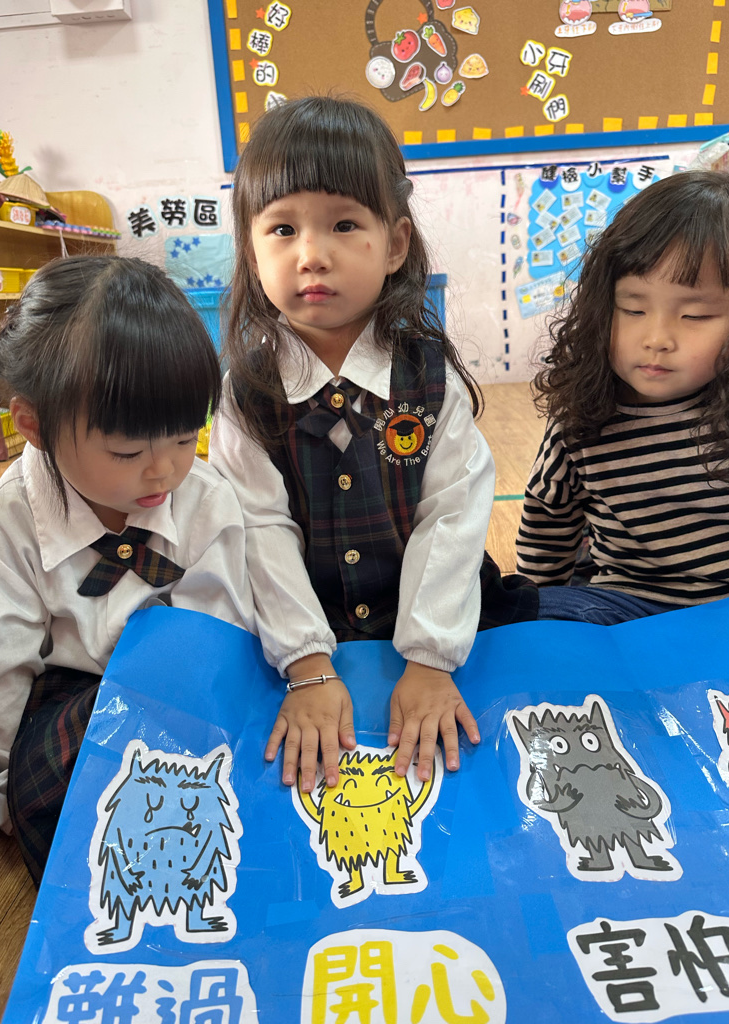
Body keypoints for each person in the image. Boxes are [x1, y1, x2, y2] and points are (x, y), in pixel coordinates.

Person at [210, 95, 537, 797]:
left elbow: (451, 514)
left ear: (394, 245)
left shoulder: (428, 377)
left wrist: (430, 659)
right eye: (282, 229)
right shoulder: (247, 392)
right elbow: (256, 529)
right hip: (305, 626)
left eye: (344, 224)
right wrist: (307, 665)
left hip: (438, 614)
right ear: (251, 249)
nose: (311, 255)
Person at [0, 255, 256, 881]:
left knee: (240, 789)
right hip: (73, 699)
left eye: (184, 437)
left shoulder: (205, 499)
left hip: (185, 686)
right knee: (59, 801)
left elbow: (217, 638)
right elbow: (1, 657)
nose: (165, 470)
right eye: (128, 451)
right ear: (34, 425)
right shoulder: (8, 521)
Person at [517, 170, 729, 624]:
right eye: (633, 308)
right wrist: (532, 618)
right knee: (524, 609)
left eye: (695, 316)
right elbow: (548, 525)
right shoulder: (581, 420)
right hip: (628, 604)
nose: (656, 338)